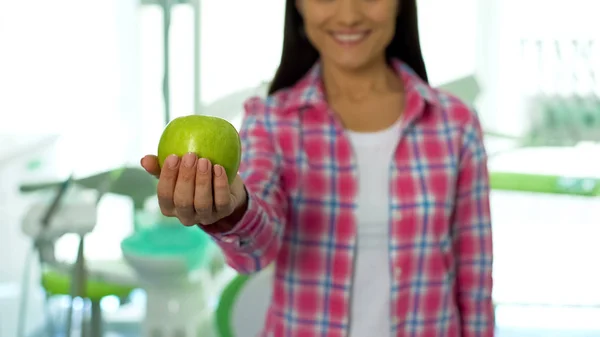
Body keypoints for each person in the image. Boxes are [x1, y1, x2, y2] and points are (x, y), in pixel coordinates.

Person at [141, 0, 495, 336]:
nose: (349, 15)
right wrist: (232, 210)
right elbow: (255, 251)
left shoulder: (455, 124)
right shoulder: (270, 120)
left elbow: (474, 278)